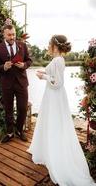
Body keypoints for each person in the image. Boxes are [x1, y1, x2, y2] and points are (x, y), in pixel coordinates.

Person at [27, 35, 96, 186]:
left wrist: (43, 77)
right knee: (52, 122)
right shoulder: (57, 59)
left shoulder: (58, 60)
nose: (48, 46)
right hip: (53, 96)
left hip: (55, 95)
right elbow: (52, 75)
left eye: (49, 44)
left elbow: (57, 83)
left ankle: (54, 151)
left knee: (54, 122)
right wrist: (43, 73)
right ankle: (47, 148)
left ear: (55, 46)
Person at [0, 23, 32, 143]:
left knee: (23, 108)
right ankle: (10, 132)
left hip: (21, 83)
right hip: (7, 84)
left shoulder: (22, 45)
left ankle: (19, 130)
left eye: (13, 34)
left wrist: (24, 65)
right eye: (9, 35)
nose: (12, 37)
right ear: (4, 35)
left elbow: (29, 60)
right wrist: (3, 67)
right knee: (8, 109)